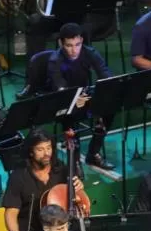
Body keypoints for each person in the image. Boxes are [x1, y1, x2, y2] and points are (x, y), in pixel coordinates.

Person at [47, 22, 115, 170]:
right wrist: (73, 99)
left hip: (84, 96)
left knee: (108, 110)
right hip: (63, 101)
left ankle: (93, 153)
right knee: (70, 115)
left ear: (82, 41)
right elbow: (59, 88)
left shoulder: (89, 52)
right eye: (69, 45)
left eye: (77, 44)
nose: (74, 50)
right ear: (61, 43)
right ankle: (75, 161)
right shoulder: (55, 61)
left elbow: (105, 75)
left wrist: (103, 92)